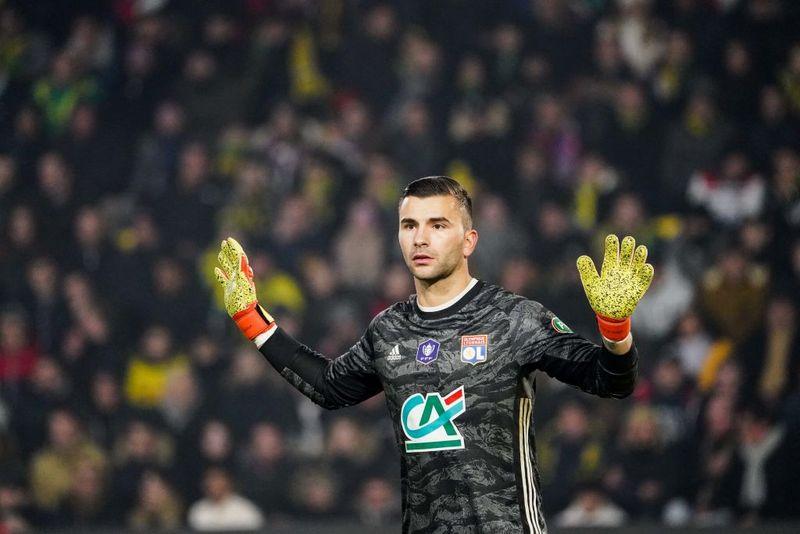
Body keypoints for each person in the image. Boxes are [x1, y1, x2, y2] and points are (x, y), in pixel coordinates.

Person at [214, 176, 654, 533]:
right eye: (410, 226)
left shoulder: (513, 318)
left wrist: (615, 331)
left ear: (468, 241)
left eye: (438, 225)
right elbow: (329, 388)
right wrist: (253, 321)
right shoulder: (388, 330)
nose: (420, 238)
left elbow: (611, 381)